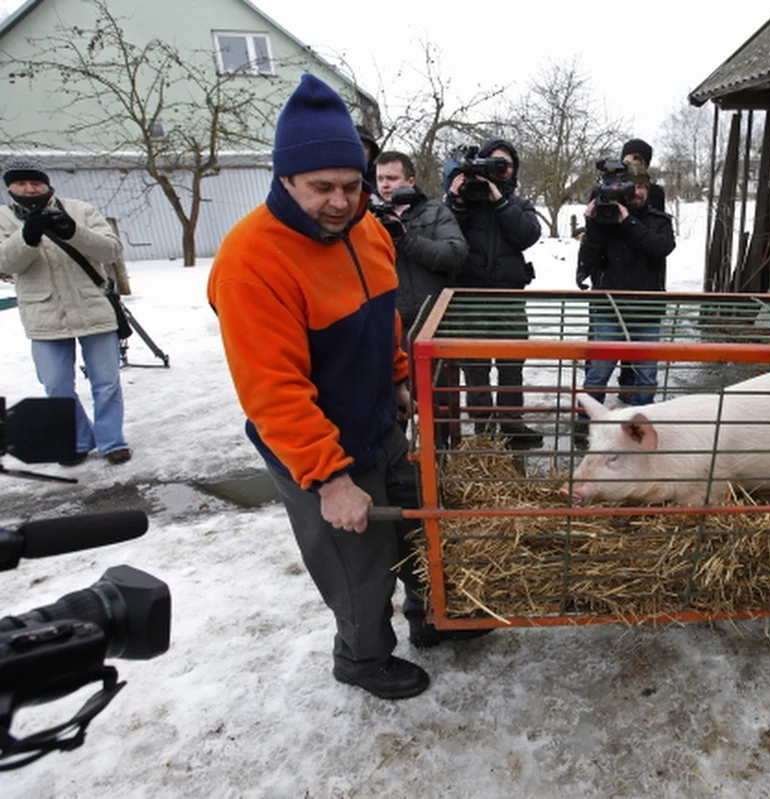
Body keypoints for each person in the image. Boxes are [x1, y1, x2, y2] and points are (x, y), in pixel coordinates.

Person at [208, 74, 482, 702]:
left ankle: (432, 620)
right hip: (310, 441)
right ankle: (361, 657)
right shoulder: (252, 262)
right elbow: (272, 389)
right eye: (321, 188)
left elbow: (382, 315)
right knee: (356, 561)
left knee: (417, 525)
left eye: (351, 184)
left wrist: (397, 379)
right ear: (284, 180)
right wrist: (329, 479)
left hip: (376, 417)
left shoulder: (365, 229)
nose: (339, 201)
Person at [0, 156, 131, 466]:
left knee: (107, 382)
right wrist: (27, 237)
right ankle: (79, 440)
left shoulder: (79, 210)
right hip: (44, 315)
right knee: (56, 385)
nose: (30, 189)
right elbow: (4, 265)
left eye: (36, 182)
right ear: (10, 187)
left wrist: (74, 232)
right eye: (21, 183)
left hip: (93, 310)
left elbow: (111, 249)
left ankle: (112, 441)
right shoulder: (4, 220)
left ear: (47, 184)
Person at [445, 138, 543, 448]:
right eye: (495, 163)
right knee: (476, 368)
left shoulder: (518, 203)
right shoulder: (464, 201)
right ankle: (484, 431)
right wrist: (456, 201)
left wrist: (499, 200)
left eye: (508, 165)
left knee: (511, 362)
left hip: (509, 296)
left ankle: (512, 424)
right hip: (470, 297)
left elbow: (528, 235)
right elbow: (447, 236)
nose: (502, 170)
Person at [575, 162, 675, 445]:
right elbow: (590, 258)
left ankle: (639, 429)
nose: (638, 192)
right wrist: (594, 224)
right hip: (609, 308)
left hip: (647, 310)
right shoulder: (605, 221)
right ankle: (586, 426)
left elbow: (659, 249)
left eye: (642, 186)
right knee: (598, 372)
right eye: (633, 186)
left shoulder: (660, 221)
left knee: (646, 376)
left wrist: (627, 221)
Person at [372, 150, 467, 341]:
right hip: (386, 322)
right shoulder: (366, 215)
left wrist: (406, 240)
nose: (384, 184)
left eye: (391, 178)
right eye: (380, 178)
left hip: (432, 321)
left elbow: (455, 254)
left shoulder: (435, 210)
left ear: (410, 182)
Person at [620, 138, 666, 213]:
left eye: (637, 159)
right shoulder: (612, 186)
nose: (632, 165)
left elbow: (659, 221)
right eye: (627, 163)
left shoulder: (655, 192)